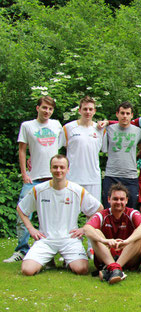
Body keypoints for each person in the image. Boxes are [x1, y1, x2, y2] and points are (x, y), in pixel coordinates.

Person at [16, 154, 103, 276]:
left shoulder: (77, 190)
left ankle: (67, 262)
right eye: (55, 167)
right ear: (50, 169)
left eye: (62, 167)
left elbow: (99, 209)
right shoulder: (39, 190)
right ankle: (47, 261)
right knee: (27, 270)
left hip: (70, 239)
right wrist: (31, 229)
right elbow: (21, 209)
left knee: (82, 269)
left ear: (68, 170)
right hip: (45, 239)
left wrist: (84, 229)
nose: (58, 170)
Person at [4, 96, 62, 263]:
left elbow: (60, 148)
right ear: (37, 108)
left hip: (53, 179)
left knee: (51, 218)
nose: (47, 111)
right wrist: (24, 174)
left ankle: (49, 252)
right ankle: (22, 250)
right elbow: (22, 150)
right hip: (33, 178)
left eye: (50, 109)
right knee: (22, 211)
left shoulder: (56, 125)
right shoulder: (27, 126)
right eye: (44, 108)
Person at [84, 183, 141, 284]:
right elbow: (87, 229)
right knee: (95, 232)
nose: (119, 202)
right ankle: (116, 269)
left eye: (122, 199)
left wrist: (127, 241)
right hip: (108, 254)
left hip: (128, 256)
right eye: (115, 199)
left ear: (126, 200)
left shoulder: (131, 213)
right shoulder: (103, 214)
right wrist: (104, 241)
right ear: (109, 199)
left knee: (139, 233)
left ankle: (113, 269)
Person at [60, 96, 105, 202]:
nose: (88, 112)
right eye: (85, 109)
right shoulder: (68, 128)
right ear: (79, 110)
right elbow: (58, 148)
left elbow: (105, 150)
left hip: (93, 178)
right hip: (72, 178)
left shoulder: (101, 130)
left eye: (90, 109)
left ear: (94, 111)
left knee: (93, 213)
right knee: (71, 212)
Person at [101, 102, 141, 209]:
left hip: (130, 176)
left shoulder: (138, 131)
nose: (125, 116)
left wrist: (136, 157)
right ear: (117, 114)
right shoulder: (109, 129)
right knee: (109, 209)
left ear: (132, 115)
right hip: (111, 175)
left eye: (127, 113)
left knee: (131, 209)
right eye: (122, 113)